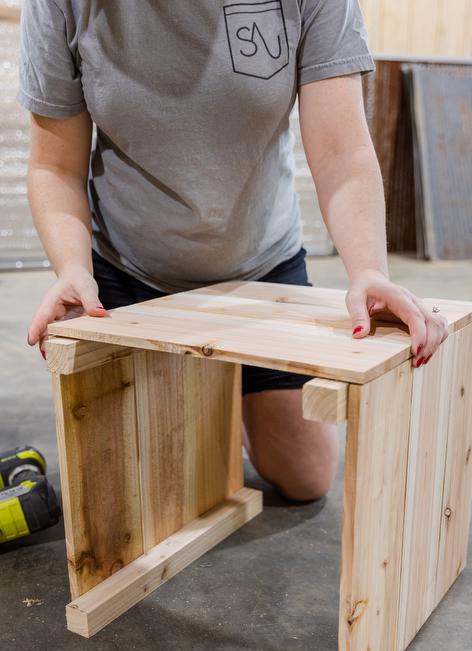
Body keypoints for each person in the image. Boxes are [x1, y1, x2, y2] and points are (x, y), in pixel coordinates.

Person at [18, 0, 448, 502]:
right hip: (127, 271)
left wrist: (370, 270)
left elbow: (342, 152)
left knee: (305, 477)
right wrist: (73, 269)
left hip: (261, 270)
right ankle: (213, 398)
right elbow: (55, 165)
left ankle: (232, 395)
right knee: (138, 486)